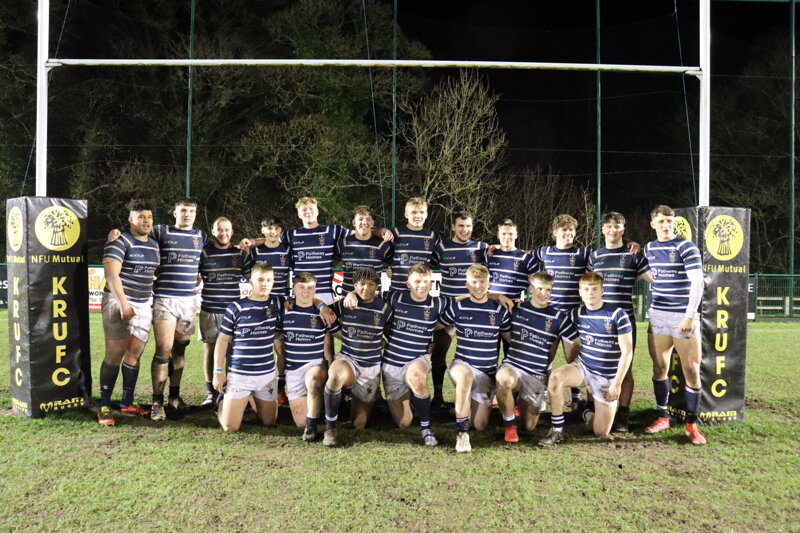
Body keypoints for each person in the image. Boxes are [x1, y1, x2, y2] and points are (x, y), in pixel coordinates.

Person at [109, 197, 208, 420]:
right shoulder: (161, 231)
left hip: (189, 301)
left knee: (180, 350)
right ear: (175, 213)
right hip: (165, 298)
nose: (187, 215)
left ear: (195, 214)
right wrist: (116, 234)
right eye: (183, 211)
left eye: (191, 211)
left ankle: (175, 396)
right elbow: (137, 233)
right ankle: (157, 402)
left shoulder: (200, 236)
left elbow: (204, 260)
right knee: (163, 351)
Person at [538, 272, 633, 445]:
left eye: (595, 289)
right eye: (586, 289)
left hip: (606, 376)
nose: (590, 293)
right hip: (584, 368)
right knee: (556, 378)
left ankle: (583, 411)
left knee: (600, 432)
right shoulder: (575, 314)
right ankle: (557, 430)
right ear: (580, 292)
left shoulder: (618, 315)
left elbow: (627, 352)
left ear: (602, 291)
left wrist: (616, 384)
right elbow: (552, 324)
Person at [643, 205, 706, 445]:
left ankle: (692, 424)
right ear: (653, 224)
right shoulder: (649, 248)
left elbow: (697, 282)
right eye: (661, 221)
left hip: (682, 316)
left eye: (670, 221)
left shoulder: (685, 247)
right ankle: (662, 416)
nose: (666, 225)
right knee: (660, 368)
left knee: (691, 369)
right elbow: (649, 274)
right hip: (658, 316)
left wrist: (690, 315)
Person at [495, 272, 578, 442]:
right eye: (540, 288)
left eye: (548, 290)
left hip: (537, 373)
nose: (544, 293)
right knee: (504, 380)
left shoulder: (558, 317)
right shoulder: (516, 309)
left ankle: (512, 404)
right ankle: (510, 426)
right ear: (531, 288)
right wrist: (497, 295)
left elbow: (578, 340)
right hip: (514, 366)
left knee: (529, 426)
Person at [97, 199, 160, 425]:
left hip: (144, 303)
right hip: (118, 301)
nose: (146, 221)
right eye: (141, 217)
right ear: (130, 219)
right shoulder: (119, 241)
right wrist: (124, 303)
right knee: (115, 353)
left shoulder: (154, 245)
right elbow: (112, 276)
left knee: (135, 351)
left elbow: (152, 273)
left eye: (149, 217)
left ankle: (127, 402)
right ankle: (104, 405)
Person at [587, 211, 652, 432]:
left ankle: (623, 415)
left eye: (617, 226)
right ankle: (592, 408)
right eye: (609, 226)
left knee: (626, 368)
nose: (613, 230)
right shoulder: (595, 256)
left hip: (623, 320)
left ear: (623, 229)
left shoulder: (634, 253)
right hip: (596, 321)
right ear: (603, 229)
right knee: (593, 365)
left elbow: (654, 279)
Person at [440, 264, 512, 453]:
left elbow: (509, 339)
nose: (478, 286)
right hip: (462, 365)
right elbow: (435, 325)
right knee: (465, 377)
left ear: (489, 284)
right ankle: (462, 434)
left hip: (487, 372)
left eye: (482, 282)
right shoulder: (458, 307)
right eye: (474, 282)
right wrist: (426, 342)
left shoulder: (498, 310)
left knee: (479, 424)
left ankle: (465, 408)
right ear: (467, 284)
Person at [321, 268, 393, 447]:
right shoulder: (344, 304)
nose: (366, 288)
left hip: (371, 366)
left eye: (371, 284)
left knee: (359, 423)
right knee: (336, 376)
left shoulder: (385, 309)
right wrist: (325, 311)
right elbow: (327, 316)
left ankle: (347, 401)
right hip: (349, 359)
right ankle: (330, 429)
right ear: (355, 286)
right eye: (361, 284)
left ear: (377, 286)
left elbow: (391, 334)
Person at [382, 264, 450, 446]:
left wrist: (497, 296)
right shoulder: (394, 297)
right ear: (408, 284)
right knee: (404, 422)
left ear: (431, 283)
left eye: (426, 282)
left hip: (417, 358)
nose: (422, 285)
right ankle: (414, 402)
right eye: (417, 281)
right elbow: (369, 302)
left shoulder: (438, 303)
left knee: (417, 378)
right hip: (391, 363)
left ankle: (426, 429)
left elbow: (466, 302)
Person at [430, 211, 489, 409]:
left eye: (468, 226)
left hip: (473, 309)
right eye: (461, 226)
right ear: (453, 227)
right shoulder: (442, 247)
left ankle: (487, 392)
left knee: (483, 351)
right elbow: (425, 267)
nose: (465, 230)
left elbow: (498, 263)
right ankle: (438, 396)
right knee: (439, 352)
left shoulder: (482, 248)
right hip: (448, 307)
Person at [212, 263, 281, 431]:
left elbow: (306, 299)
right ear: (251, 282)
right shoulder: (236, 307)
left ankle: (250, 398)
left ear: (273, 282)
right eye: (260, 280)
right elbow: (222, 340)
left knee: (269, 423)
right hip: (240, 375)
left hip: (266, 375)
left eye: (268, 280)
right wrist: (218, 372)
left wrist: (322, 308)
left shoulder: (277, 303)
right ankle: (221, 401)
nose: (264, 284)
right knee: (230, 427)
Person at [275, 272, 339, 441]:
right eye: (301, 287)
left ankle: (312, 427)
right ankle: (312, 415)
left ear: (315, 289)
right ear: (294, 289)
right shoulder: (284, 311)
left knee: (313, 380)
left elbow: (341, 334)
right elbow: (275, 337)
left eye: (310, 288)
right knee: (299, 421)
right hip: (293, 369)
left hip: (315, 365)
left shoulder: (323, 312)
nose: (305, 291)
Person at [198, 217, 248, 407]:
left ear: (232, 232)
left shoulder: (239, 254)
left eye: (227, 230)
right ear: (213, 231)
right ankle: (211, 392)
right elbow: (194, 277)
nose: (223, 233)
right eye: (220, 230)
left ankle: (227, 391)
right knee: (210, 350)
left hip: (232, 312)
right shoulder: (204, 253)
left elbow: (253, 275)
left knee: (231, 352)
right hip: (209, 310)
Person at [245, 216, 291, 404]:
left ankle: (280, 389)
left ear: (279, 230)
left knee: (280, 348)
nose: (272, 232)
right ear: (262, 230)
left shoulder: (288, 250)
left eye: (275, 228)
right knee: (258, 345)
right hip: (261, 303)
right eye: (268, 228)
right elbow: (247, 272)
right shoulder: (256, 250)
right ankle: (252, 388)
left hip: (282, 303)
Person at [334, 205, 391, 296]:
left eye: (368, 219)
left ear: (372, 223)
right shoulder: (342, 244)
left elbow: (394, 265)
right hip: (348, 301)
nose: (364, 222)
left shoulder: (383, 245)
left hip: (373, 301)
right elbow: (330, 265)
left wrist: (391, 270)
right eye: (360, 219)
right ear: (353, 223)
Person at [387, 197, 441, 293]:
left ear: (426, 214)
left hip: (421, 293)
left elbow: (435, 261)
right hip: (398, 291)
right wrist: (389, 266)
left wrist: (429, 270)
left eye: (421, 212)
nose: (418, 216)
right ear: (406, 214)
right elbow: (385, 255)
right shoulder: (396, 233)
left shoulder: (432, 236)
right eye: (413, 212)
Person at [486, 219, 539, 300]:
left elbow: (537, 286)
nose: (507, 237)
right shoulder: (489, 256)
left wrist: (524, 300)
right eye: (503, 234)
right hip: (493, 306)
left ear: (516, 235)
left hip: (517, 308)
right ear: (498, 235)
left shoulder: (527, 259)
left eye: (510, 234)